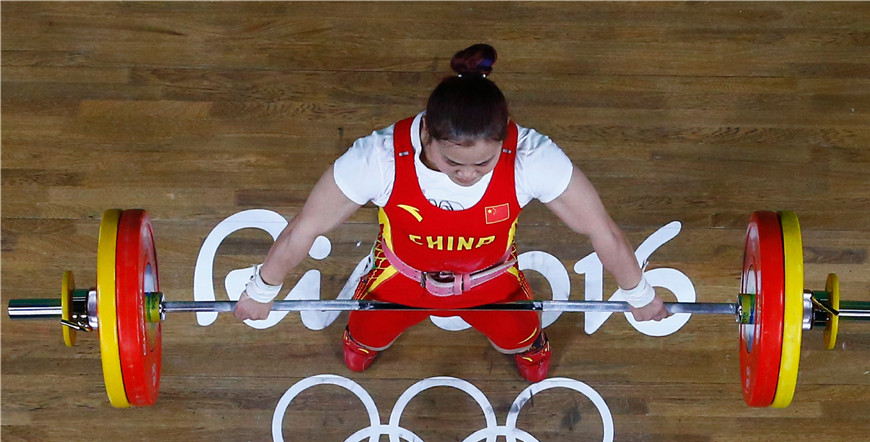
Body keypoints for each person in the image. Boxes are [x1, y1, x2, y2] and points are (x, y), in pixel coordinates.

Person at [234, 43, 670, 382]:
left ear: (502, 140)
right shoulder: (377, 158)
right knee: (362, 344)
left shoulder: (532, 157)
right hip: (400, 277)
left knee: (520, 344)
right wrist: (262, 288)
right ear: (426, 134)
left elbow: (603, 233)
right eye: (453, 163)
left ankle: (528, 343)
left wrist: (640, 295)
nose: (467, 175)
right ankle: (366, 334)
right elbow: (305, 228)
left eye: (483, 164)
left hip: (491, 279)